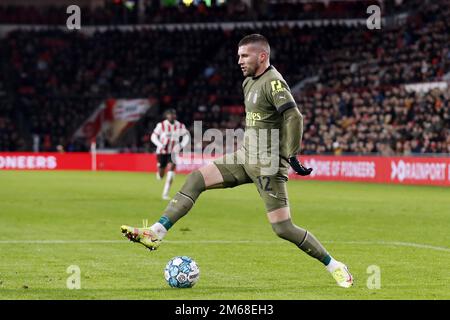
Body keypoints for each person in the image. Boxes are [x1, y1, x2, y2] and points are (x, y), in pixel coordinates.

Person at [122, 34, 353, 288]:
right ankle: (156, 232)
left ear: (262, 56)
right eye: (238, 56)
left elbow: (294, 116)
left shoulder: (274, 82)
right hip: (244, 157)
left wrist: (292, 153)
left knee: (283, 229)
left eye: (245, 56)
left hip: (267, 164)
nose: (239, 61)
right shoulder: (248, 83)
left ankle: (335, 265)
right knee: (196, 178)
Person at [150, 108, 189, 200]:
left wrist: (181, 145)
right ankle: (159, 167)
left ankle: (165, 194)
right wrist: (159, 144)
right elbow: (153, 136)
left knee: (171, 170)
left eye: (173, 114)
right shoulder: (161, 125)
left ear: (175, 116)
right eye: (169, 114)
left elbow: (186, 136)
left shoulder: (180, 125)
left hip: (173, 152)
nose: (171, 116)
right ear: (166, 116)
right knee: (160, 176)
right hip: (162, 152)